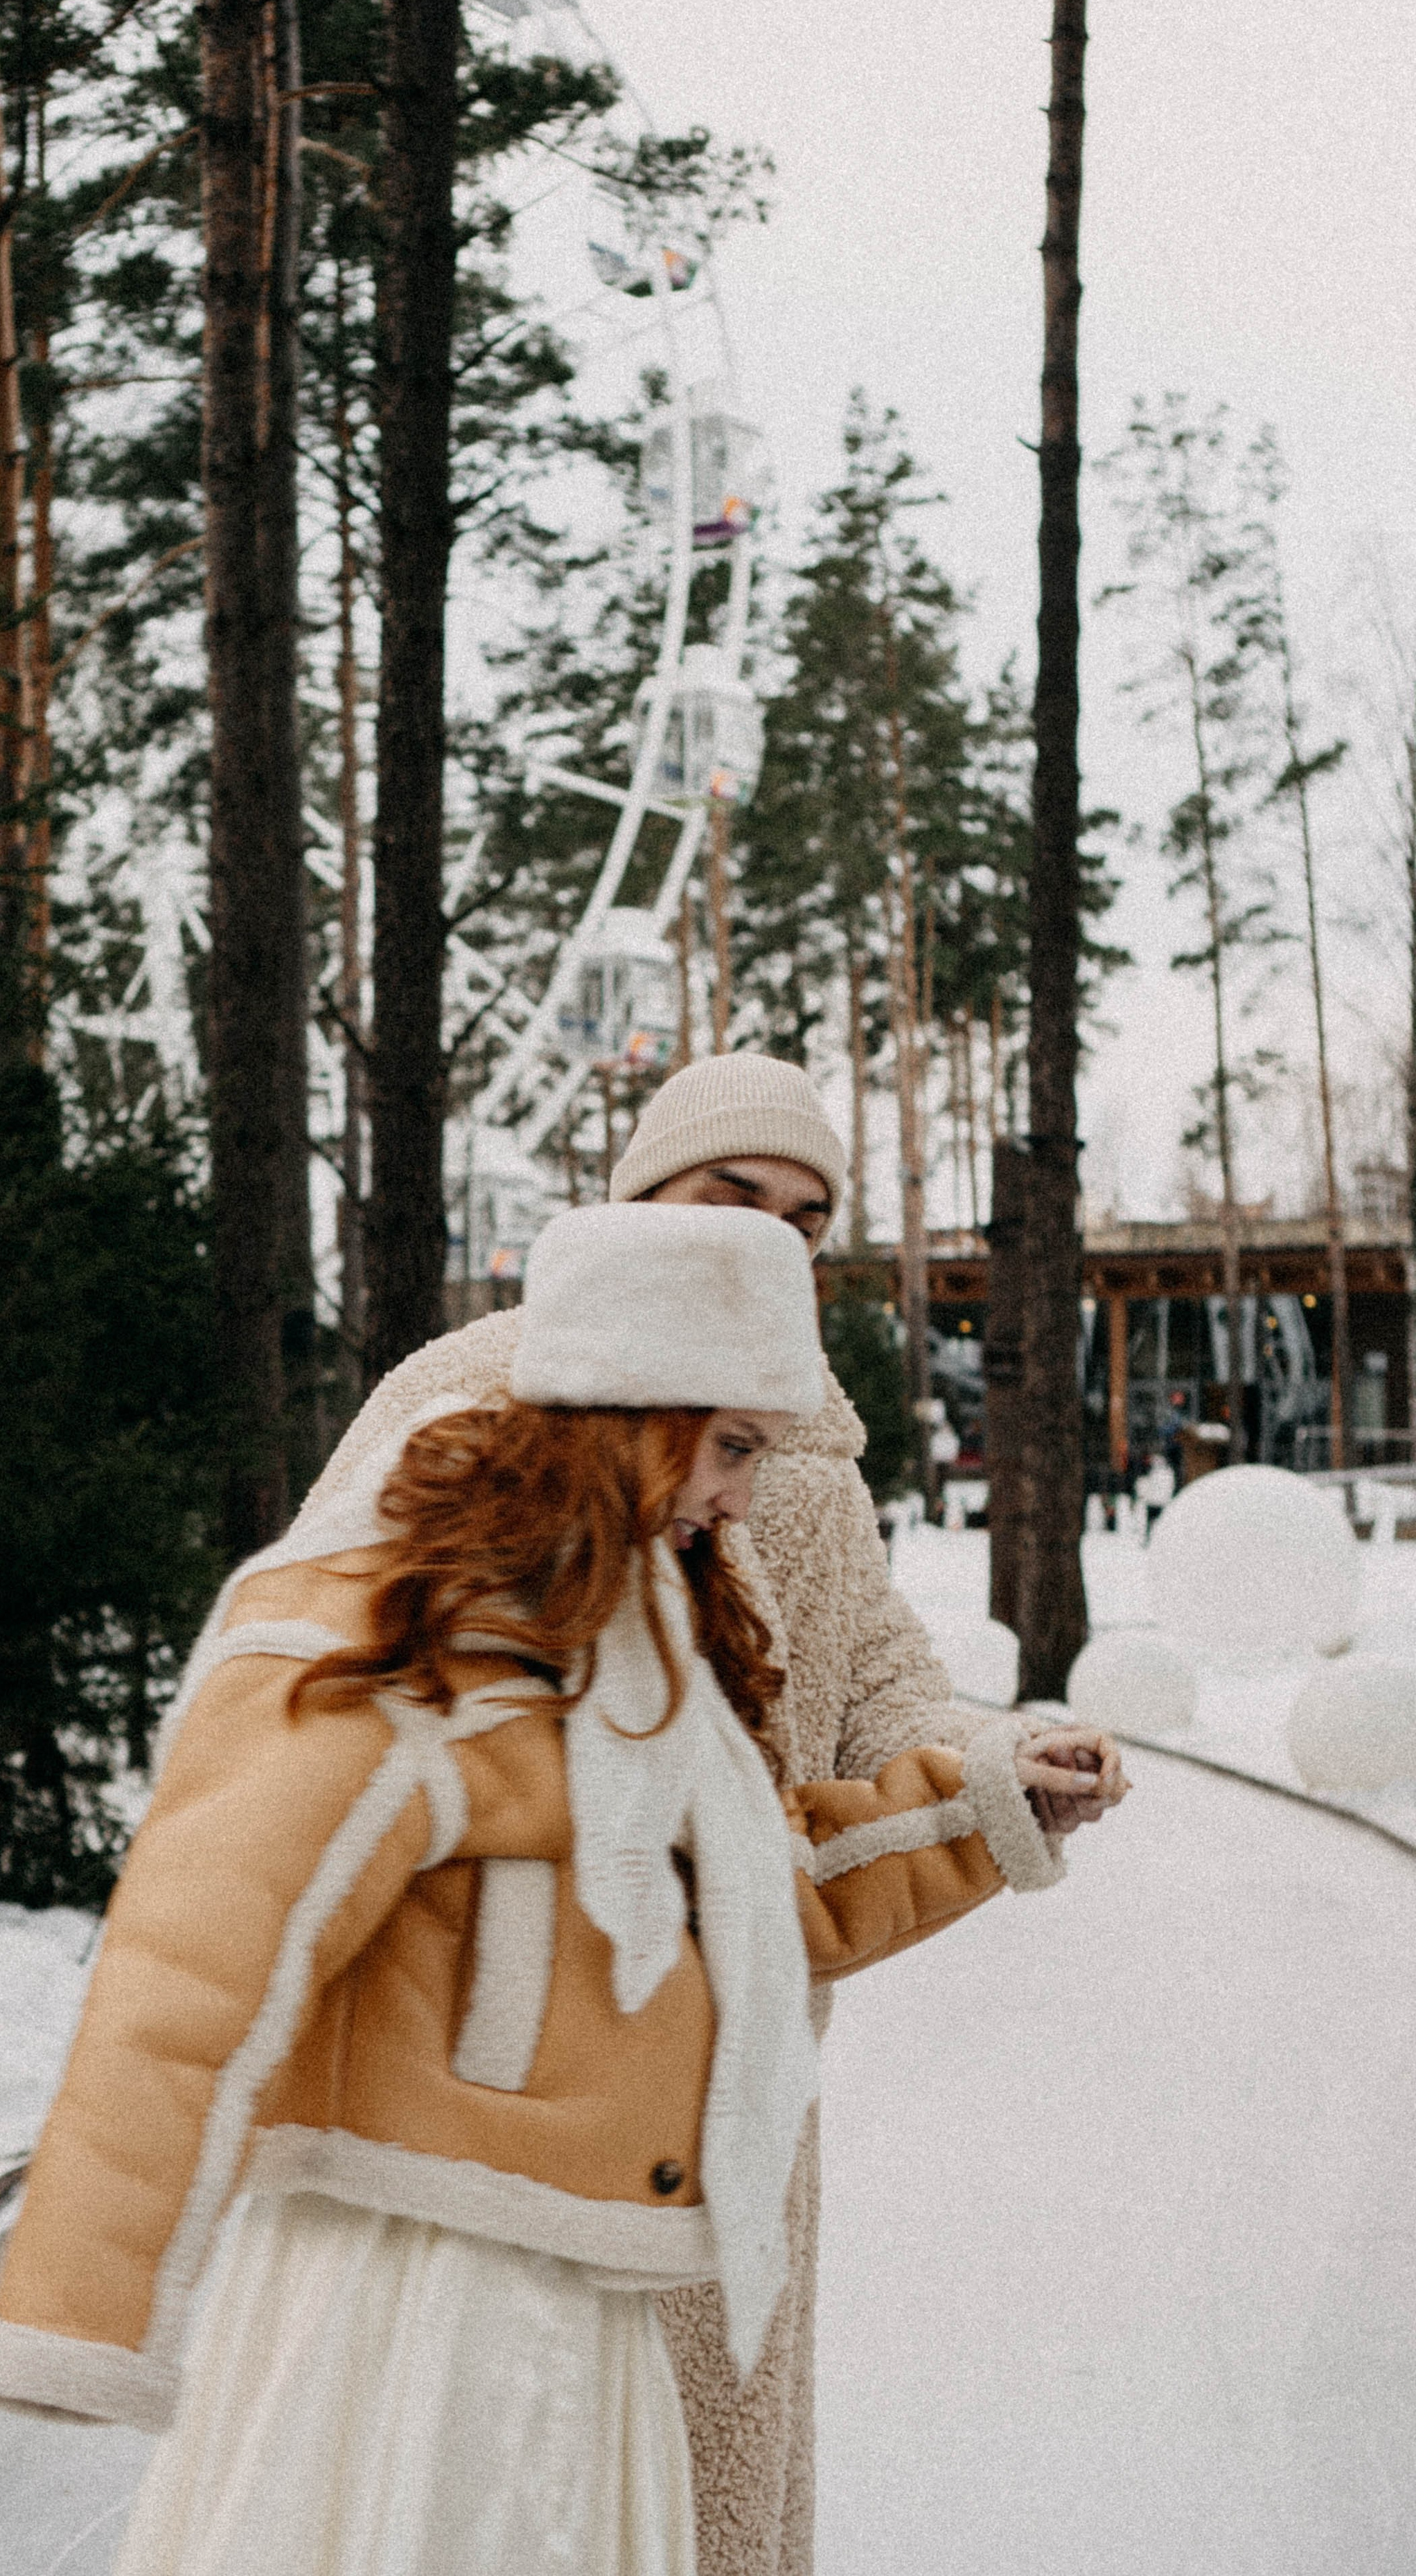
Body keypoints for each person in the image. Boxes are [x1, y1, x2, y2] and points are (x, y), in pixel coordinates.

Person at [0, 1202, 1124, 2576]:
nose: (743, 1499)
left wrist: (985, 1806)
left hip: (582, 2312)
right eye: (733, 1446)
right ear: (633, 1410)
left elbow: (758, 1898)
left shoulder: (638, 1644)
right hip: (420, 2309)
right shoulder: (403, 1622)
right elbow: (195, 1960)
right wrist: (82, 2308)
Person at [305, 1050, 1110, 2576]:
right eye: (732, 1194)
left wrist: (999, 1763)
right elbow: (327, 1681)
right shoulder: (476, 1401)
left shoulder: (807, 1467)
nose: (769, 1238)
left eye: (804, 1219)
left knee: (707, 2485)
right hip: (505, 2078)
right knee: (504, 2498)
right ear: (637, 1198)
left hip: (741, 2070)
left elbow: (885, 1690)